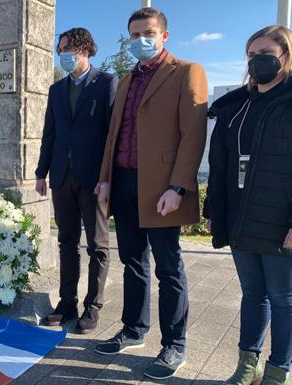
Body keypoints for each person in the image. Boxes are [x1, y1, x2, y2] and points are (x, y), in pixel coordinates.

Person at [94, 8, 208, 380]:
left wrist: (178, 187)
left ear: (164, 35)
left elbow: (193, 135)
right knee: (132, 261)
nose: (140, 39)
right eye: (134, 34)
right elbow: (115, 134)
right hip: (124, 181)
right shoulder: (126, 79)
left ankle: (174, 344)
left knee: (169, 267)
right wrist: (106, 178)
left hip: (162, 187)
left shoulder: (187, 71)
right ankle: (133, 329)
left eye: (148, 32)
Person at [205, 25, 292, 385]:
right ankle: (247, 365)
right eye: (252, 55)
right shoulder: (237, 106)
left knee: (283, 299)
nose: (258, 61)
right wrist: (214, 209)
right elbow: (221, 163)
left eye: (266, 54)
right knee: (253, 295)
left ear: (285, 57)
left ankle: (279, 370)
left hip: (279, 218)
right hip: (241, 215)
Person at [35, 27, 118, 334]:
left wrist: (107, 177)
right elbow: (50, 133)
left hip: (93, 179)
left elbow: (113, 136)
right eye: (60, 50)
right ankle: (66, 302)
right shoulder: (57, 90)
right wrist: (41, 173)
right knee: (66, 242)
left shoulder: (107, 83)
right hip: (61, 177)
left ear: (84, 49)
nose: (62, 55)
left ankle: (92, 307)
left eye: (66, 49)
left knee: (97, 245)